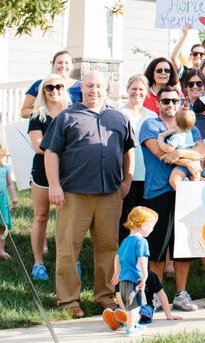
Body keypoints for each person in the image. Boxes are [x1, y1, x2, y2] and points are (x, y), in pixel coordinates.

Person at [43, 71, 135, 318]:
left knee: (108, 247)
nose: (94, 90)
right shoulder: (66, 117)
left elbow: (129, 150)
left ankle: (105, 296)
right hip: (74, 194)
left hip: (109, 194)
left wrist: (127, 180)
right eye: (90, 86)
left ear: (106, 89)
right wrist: (54, 185)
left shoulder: (118, 117)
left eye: (99, 86)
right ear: (81, 88)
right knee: (68, 248)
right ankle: (68, 300)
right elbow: (51, 152)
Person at [138, 84, 205, 313]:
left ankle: (180, 294)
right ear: (157, 103)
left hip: (184, 193)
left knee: (182, 246)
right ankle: (155, 295)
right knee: (157, 248)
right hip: (158, 193)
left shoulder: (187, 125)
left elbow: (202, 151)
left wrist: (180, 153)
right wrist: (187, 162)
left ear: (180, 103)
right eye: (165, 101)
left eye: (174, 101)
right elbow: (159, 153)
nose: (170, 105)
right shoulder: (151, 125)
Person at [28, 73, 72, 278]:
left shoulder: (73, 113)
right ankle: (38, 263)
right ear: (43, 91)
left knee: (70, 218)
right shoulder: (38, 115)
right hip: (42, 172)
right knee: (41, 216)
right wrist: (63, 149)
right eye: (50, 87)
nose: (55, 91)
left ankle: (71, 261)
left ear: (65, 89)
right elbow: (37, 146)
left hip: (70, 172)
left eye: (59, 87)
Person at [118, 75, 156, 244]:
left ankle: (142, 256)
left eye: (141, 89)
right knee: (127, 219)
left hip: (148, 176)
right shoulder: (119, 113)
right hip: (128, 175)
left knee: (145, 220)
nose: (137, 93)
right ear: (127, 89)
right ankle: (124, 255)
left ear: (146, 92)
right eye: (134, 88)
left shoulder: (152, 115)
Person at [110, 206, 156, 336]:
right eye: (152, 226)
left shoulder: (126, 241)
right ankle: (130, 328)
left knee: (132, 303)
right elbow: (142, 259)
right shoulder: (142, 241)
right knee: (134, 305)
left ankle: (132, 324)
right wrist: (145, 274)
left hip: (124, 279)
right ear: (144, 225)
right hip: (134, 278)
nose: (152, 230)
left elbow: (117, 257)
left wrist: (116, 273)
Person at [20, 50, 82, 118]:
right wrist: (45, 113)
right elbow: (24, 112)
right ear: (53, 66)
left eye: (66, 63)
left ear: (72, 66)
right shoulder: (40, 84)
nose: (63, 66)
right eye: (59, 62)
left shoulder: (81, 86)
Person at [161, 108, 203, 185]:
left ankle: (183, 195)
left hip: (183, 165)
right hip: (196, 162)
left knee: (174, 181)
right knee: (195, 185)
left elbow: (168, 149)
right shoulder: (189, 133)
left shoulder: (176, 137)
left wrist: (160, 139)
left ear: (176, 122)